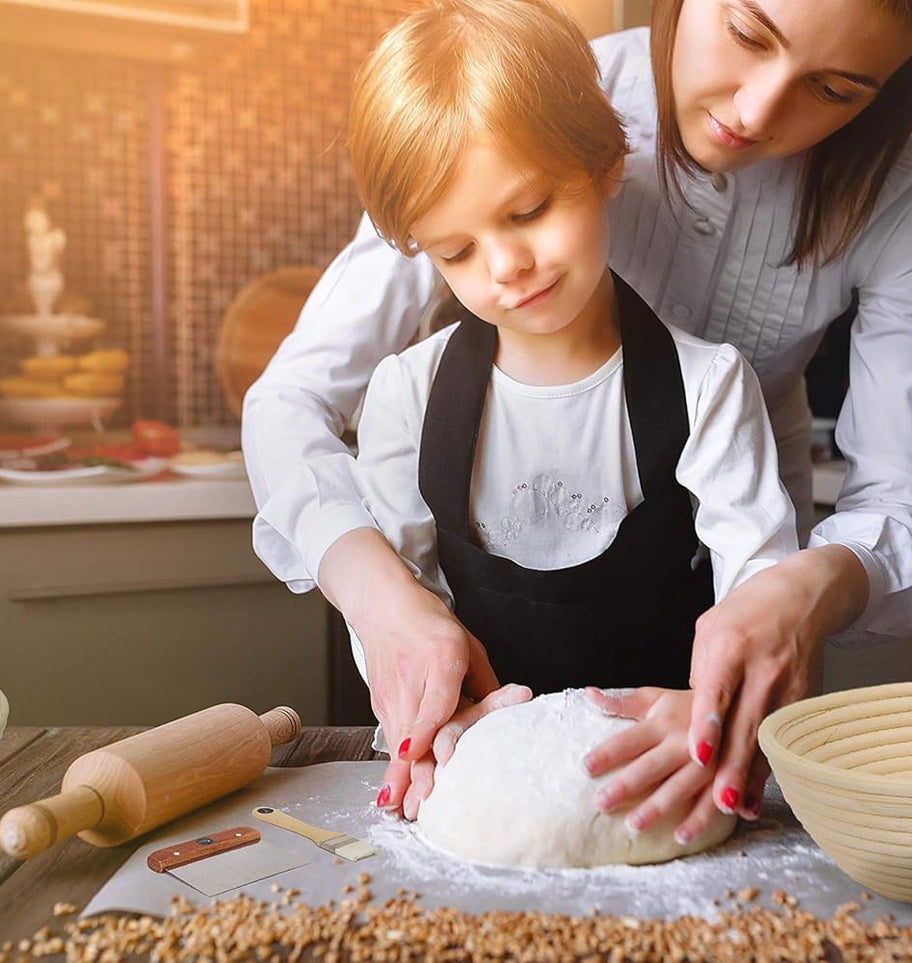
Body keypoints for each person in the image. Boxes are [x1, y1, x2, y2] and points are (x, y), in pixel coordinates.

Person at [244, 0, 912, 836]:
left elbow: (896, 507)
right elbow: (290, 401)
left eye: (835, 88)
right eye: (746, 35)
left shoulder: (907, 195)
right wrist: (382, 603)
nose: (754, 112)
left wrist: (794, 592)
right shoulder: (535, 92)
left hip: (716, 580)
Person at [338, 0, 798, 844]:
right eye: (456, 250)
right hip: (470, 783)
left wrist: (714, 715)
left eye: (527, 210)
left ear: (604, 163)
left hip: (661, 782)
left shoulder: (710, 385)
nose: (505, 267)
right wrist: (442, 720)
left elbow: (761, 594)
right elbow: (398, 612)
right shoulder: (406, 392)